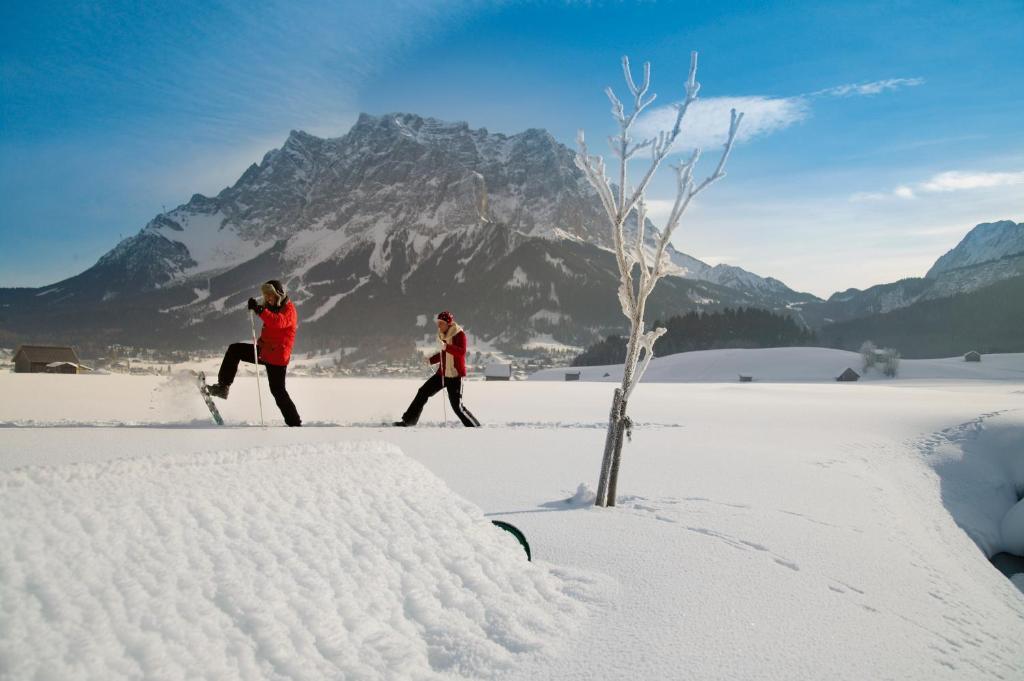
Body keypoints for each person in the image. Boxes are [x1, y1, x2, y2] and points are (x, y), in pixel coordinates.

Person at [206, 280, 302, 427]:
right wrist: (255, 306)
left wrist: (259, 310)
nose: (268, 298)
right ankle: (222, 387)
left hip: (277, 357)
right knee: (235, 350)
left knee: (278, 391)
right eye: (266, 295)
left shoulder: (289, 310)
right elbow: (266, 311)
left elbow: (278, 322)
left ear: (279, 294)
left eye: (271, 295)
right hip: (265, 351)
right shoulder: (272, 306)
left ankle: (294, 423)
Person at [394, 310, 480, 427]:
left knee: (457, 407)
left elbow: (461, 352)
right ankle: (408, 421)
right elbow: (443, 354)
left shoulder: (459, 334)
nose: (438, 325)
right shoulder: (442, 335)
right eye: (438, 322)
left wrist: (445, 346)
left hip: (455, 376)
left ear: (448, 323)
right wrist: (430, 360)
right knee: (422, 392)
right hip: (442, 374)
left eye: (441, 323)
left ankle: (475, 427)